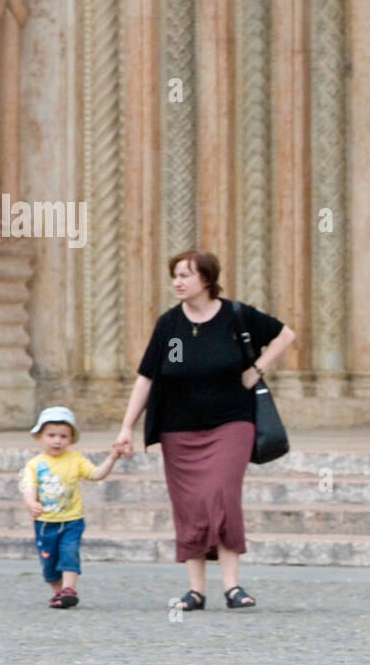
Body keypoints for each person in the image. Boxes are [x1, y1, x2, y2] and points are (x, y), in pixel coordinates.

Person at [114, 250, 296, 611]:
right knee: (191, 506)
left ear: (207, 279)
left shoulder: (235, 316)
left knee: (222, 494)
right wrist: (126, 427)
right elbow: (147, 377)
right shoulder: (170, 325)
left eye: (185, 275)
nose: (177, 282)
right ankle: (195, 590)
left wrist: (256, 369)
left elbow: (285, 335)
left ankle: (232, 586)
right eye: (174, 275)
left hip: (231, 423)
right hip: (178, 431)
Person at [20, 406, 121, 609]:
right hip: (45, 524)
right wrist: (31, 502)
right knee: (49, 567)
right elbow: (29, 486)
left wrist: (112, 458)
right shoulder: (35, 464)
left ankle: (69, 590)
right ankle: (59, 593)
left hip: (72, 520)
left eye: (63, 436)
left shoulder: (76, 459)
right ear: (39, 437)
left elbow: (96, 474)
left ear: (71, 439)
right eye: (51, 435)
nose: (57, 440)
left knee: (69, 552)